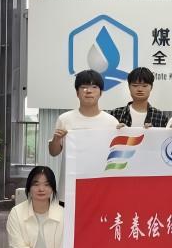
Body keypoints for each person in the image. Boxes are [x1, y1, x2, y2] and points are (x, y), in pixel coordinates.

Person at [48, 69, 119, 202]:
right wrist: (56, 139)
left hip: (100, 189)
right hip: (70, 189)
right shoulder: (65, 119)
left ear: (101, 92)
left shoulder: (111, 122)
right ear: (77, 92)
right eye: (84, 87)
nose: (89, 91)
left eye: (94, 87)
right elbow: (53, 152)